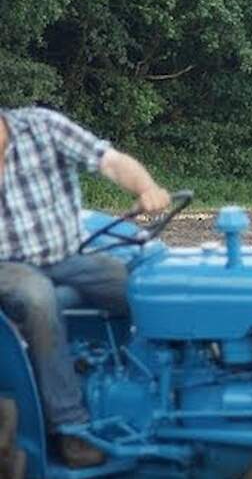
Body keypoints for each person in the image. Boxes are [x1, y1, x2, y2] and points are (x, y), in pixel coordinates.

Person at [0, 105, 170, 468]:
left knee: (143, 288)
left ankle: (150, 386)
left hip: (66, 254)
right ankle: (70, 427)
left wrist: (146, 187)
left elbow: (108, 161)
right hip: (6, 266)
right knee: (38, 297)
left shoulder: (41, 128)